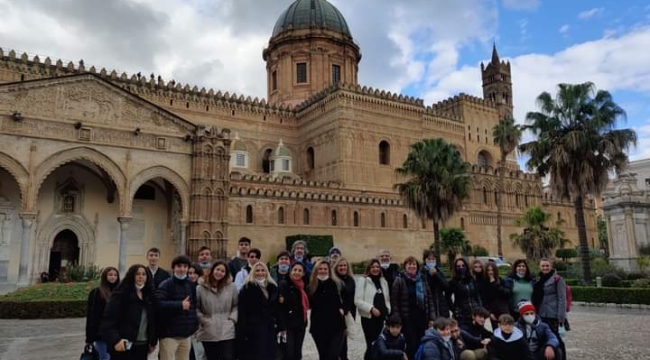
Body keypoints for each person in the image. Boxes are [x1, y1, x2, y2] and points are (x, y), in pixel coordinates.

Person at [99, 264, 157, 360]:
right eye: (137, 274)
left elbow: (153, 320)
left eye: (144, 274)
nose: (141, 276)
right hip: (123, 343)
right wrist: (116, 340)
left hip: (143, 344)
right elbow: (108, 320)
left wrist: (153, 341)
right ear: (132, 276)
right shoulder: (121, 294)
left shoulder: (149, 295)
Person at [390, 256, 437, 360]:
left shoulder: (423, 279)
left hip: (422, 318)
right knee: (410, 345)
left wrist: (432, 317)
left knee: (422, 343)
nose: (412, 266)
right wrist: (397, 319)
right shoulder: (399, 280)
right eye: (409, 264)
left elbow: (429, 299)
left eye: (414, 264)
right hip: (407, 319)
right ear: (405, 266)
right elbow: (394, 301)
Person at [157, 255, 199, 360]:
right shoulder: (166, 284)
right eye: (179, 266)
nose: (182, 269)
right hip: (169, 335)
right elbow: (159, 304)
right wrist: (180, 305)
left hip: (186, 335)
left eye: (185, 266)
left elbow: (194, 306)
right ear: (174, 268)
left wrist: (194, 326)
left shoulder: (191, 285)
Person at [196, 261, 238, 360]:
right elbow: (196, 307)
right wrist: (204, 321)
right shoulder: (200, 288)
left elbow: (236, 305)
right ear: (212, 270)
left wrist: (232, 320)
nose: (219, 272)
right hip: (208, 330)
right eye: (217, 269)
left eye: (223, 271)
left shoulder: (232, 287)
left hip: (227, 330)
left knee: (227, 357)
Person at [236, 262, 278, 360]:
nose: (260, 273)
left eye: (263, 270)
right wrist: (243, 329)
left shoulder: (273, 287)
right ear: (253, 272)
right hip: (253, 328)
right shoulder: (246, 288)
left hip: (269, 327)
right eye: (257, 270)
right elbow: (242, 311)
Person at [308, 259, 346, 360]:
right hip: (318, 326)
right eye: (320, 269)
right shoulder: (311, 286)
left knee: (333, 355)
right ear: (316, 270)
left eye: (325, 269)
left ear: (329, 270)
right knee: (323, 356)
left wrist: (343, 309)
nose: (323, 271)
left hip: (336, 325)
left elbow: (348, 298)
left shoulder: (337, 283)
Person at [355, 258, 391, 360]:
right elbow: (357, 300)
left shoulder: (383, 281)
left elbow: (387, 298)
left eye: (377, 267)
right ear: (369, 268)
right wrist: (371, 309)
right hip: (369, 318)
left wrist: (388, 309)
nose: (375, 269)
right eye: (373, 267)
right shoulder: (363, 280)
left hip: (381, 317)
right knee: (371, 343)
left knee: (379, 342)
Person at [532, 259, 567, 360]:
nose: (545, 268)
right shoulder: (539, 279)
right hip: (541, 313)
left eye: (547, 266)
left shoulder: (557, 279)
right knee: (544, 338)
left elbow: (562, 299)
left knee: (557, 339)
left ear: (551, 266)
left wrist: (561, 317)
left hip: (553, 314)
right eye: (543, 266)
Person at [277, 262, 310, 360]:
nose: (297, 272)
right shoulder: (284, 284)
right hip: (288, 325)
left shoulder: (304, 286)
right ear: (290, 271)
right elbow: (280, 307)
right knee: (288, 353)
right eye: (295, 270)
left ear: (303, 273)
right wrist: (282, 326)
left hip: (300, 324)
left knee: (297, 352)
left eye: (300, 271)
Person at [86, 267, 120, 360]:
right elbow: (91, 316)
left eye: (115, 275)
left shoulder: (121, 292)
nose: (113, 277)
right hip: (101, 335)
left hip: (117, 334)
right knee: (104, 357)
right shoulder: (96, 292)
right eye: (110, 275)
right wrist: (89, 338)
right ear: (105, 276)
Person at [145, 248, 168, 360]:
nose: (153, 258)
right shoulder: (142, 272)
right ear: (147, 257)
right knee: (146, 343)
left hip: (161, 312)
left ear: (159, 257)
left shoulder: (165, 274)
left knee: (164, 345)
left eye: (155, 255)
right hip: (146, 311)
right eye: (151, 255)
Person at [448, 258, 483, 330]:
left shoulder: (471, 279)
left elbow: (477, 295)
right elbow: (447, 297)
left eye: (463, 265)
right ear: (455, 268)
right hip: (462, 315)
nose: (461, 268)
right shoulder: (453, 282)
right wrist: (454, 310)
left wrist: (480, 307)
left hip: (475, 313)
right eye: (458, 266)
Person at [332, 257, 355, 360]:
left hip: (346, 314)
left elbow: (351, 300)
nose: (343, 267)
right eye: (340, 265)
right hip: (334, 315)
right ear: (336, 267)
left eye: (344, 265)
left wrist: (351, 316)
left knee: (343, 342)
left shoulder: (351, 280)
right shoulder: (332, 280)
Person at [421, 249, 450, 318]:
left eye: (433, 259)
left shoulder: (439, 271)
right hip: (428, 307)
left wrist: (436, 275)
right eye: (429, 259)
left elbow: (446, 287)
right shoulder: (422, 272)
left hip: (441, 306)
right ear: (425, 260)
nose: (431, 261)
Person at [482, 262, 511, 330]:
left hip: (504, 310)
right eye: (488, 270)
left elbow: (507, 293)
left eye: (492, 270)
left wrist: (495, 284)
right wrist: (489, 313)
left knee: (507, 329)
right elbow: (485, 300)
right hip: (494, 313)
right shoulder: (484, 283)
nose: (490, 272)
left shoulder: (501, 280)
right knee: (497, 332)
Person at [187, 263, 205, 360]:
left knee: (200, 354)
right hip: (187, 325)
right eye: (189, 273)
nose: (192, 275)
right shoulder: (184, 287)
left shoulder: (204, 288)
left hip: (201, 326)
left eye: (195, 273)